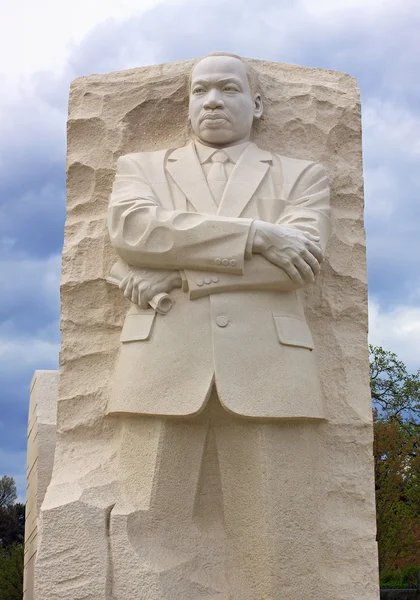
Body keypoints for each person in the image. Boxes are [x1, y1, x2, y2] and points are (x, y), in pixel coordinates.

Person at [107, 52, 331, 599]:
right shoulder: (142, 169)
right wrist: (257, 233)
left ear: (257, 104)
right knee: (143, 540)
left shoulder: (303, 175)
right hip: (160, 365)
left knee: (281, 546)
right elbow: (135, 232)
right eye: (200, 90)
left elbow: (296, 266)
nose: (212, 100)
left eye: (228, 88)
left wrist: (181, 272)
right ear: (186, 104)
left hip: (270, 368)